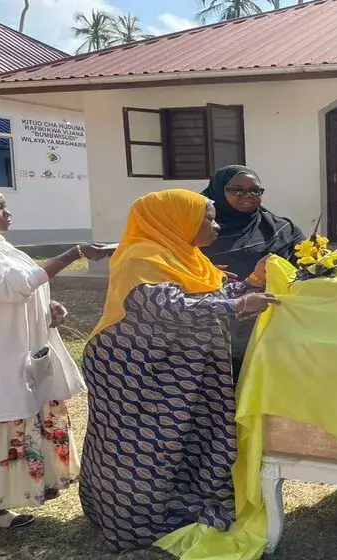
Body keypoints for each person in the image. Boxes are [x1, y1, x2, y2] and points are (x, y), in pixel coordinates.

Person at [79, 189, 279, 551]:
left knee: (186, 440)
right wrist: (239, 304)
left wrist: (249, 284)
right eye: (208, 217)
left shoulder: (186, 256)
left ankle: (183, 504)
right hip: (135, 370)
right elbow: (169, 308)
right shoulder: (141, 257)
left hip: (178, 367)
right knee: (142, 446)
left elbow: (207, 295)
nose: (215, 226)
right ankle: (132, 518)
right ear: (176, 219)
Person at [0, 184, 112, 529]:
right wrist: (73, 253)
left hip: (7, 349)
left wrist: (48, 308)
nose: (7, 213)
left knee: (13, 417)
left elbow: (26, 287)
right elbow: (10, 286)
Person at [200, 165, 305, 377]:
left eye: (255, 190)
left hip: (275, 321)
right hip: (220, 327)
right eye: (237, 190)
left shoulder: (280, 227)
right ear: (218, 191)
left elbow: (307, 263)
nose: (248, 196)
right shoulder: (198, 230)